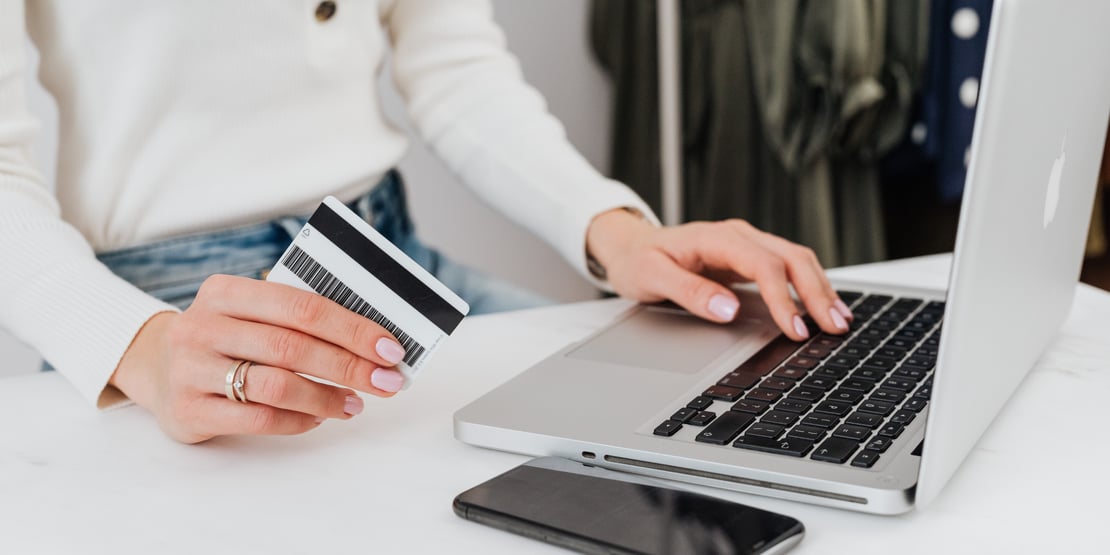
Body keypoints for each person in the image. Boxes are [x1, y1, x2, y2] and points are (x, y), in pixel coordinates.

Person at [0, 1, 852, 444]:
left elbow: (456, 65)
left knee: (716, 407)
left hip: (390, 260)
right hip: (168, 310)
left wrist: (616, 229)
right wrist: (140, 348)